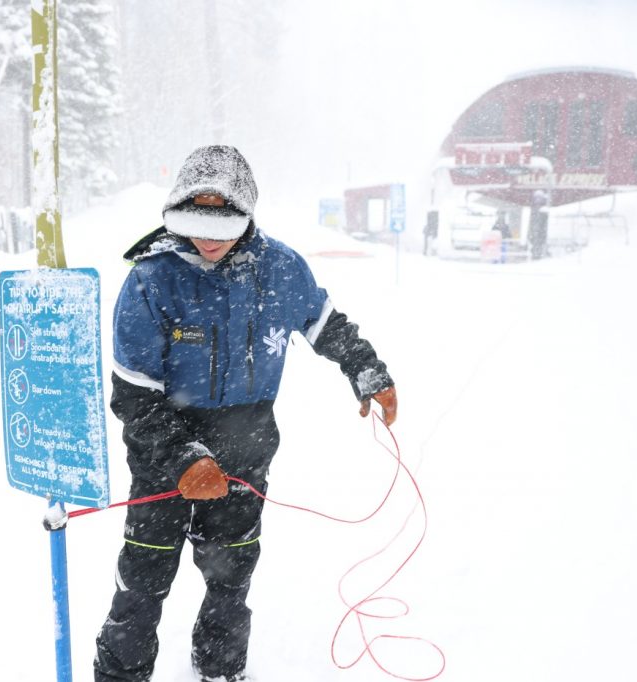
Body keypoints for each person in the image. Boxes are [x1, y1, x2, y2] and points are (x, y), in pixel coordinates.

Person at [94, 145, 397, 682]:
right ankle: (121, 675)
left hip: (245, 456)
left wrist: (365, 370)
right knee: (142, 583)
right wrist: (183, 458)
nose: (209, 239)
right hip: (163, 464)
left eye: (223, 225)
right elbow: (134, 396)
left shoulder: (282, 269)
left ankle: (220, 669)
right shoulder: (151, 281)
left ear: (248, 215)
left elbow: (327, 326)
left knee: (231, 580)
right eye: (195, 223)